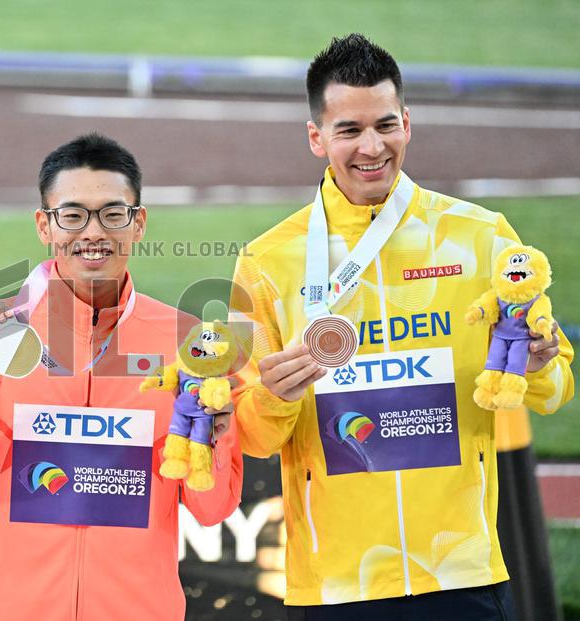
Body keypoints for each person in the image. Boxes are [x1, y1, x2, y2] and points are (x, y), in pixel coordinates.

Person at [229, 34, 574, 620]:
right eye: (349, 130)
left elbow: (557, 389)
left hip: (461, 571)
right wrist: (276, 398)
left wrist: (539, 367)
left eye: (386, 125)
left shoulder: (481, 236)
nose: (372, 146)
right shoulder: (266, 263)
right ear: (317, 137)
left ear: (408, 123)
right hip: (338, 585)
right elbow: (251, 436)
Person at [0, 133, 243, 620]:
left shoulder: (189, 343)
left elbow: (213, 509)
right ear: (44, 225)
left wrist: (208, 442)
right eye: (72, 215)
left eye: (113, 214)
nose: (92, 232)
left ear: (139, 223)